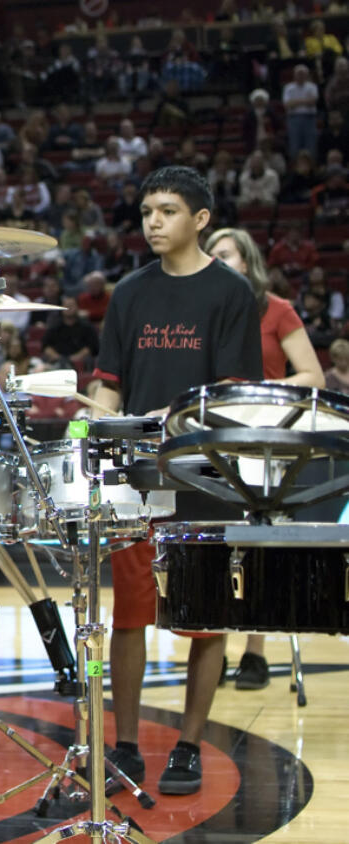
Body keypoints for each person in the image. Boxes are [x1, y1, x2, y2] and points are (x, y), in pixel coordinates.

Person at [90, 166, 262, 795]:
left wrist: (177, 416)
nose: (153, 222)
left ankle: (189, 743)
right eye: (146, 212)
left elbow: (235, 393)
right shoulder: (129, 293)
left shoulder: (231, 294)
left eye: (166, 211)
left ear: (201, 219)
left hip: (206, 475)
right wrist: (97, 419)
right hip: (138, 476)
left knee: (205, 618)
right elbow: (108, 382)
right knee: (129, 615)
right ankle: (127, 746)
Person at [204, 227, 325, 690]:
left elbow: (312, 373)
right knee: (212, 544)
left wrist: (263, 395)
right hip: (213, 436)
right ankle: (211, 645)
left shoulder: (277, 310)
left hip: (264, 436)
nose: (217, 261)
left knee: (255, 542)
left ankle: (255, 654)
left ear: (248, 262)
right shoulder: (206, 313)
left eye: (226, 254)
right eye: (212, 255)